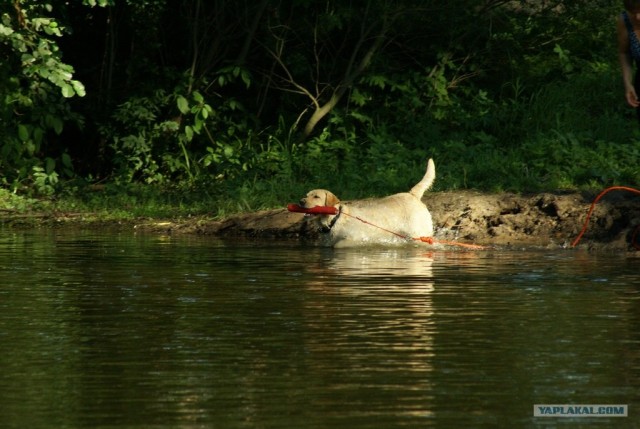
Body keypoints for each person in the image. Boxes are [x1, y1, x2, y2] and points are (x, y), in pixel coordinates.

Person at [617, 0, 640, 122]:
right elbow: (624, 52)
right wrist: (628, 83)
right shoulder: (625, 21)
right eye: (633, 12)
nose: (638, 17)